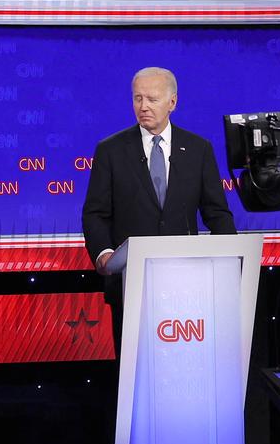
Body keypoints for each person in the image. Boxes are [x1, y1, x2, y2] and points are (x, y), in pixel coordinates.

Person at [81, 66, 237, 352]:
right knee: (133, 370)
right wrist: (104, 254)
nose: (143, 107)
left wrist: (232, 265)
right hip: (130, 282)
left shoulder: (198, 149)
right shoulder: (110, 150)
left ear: (172, 102)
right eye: (138, 99)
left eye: (152, 99)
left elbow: (217, 212)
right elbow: (95, 213)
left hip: (188, 283)